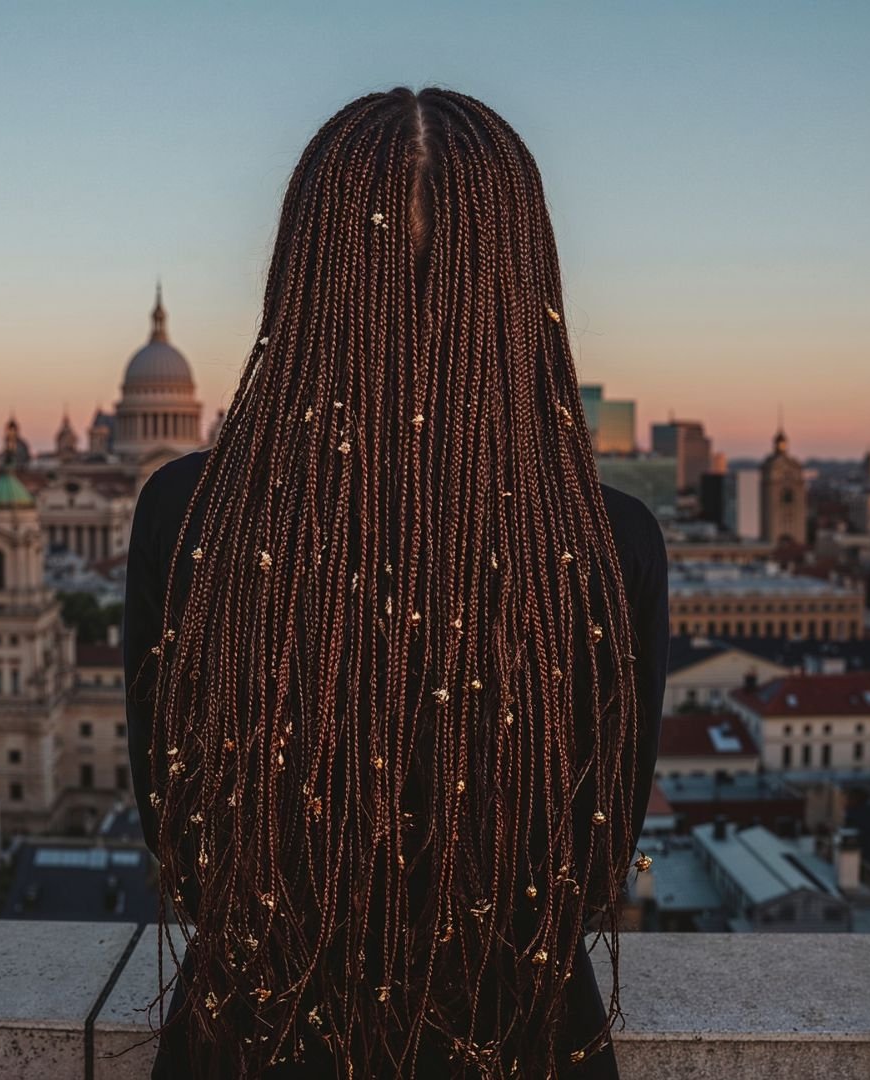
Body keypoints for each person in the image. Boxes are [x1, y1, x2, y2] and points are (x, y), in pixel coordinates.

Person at [122, 86, 667, 1079]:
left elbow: (179, 836)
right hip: (517, 1040)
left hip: (252, 1038)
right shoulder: (607, 536)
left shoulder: (186, 511)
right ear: (519, 281)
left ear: (305, 277)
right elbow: (595, 864)